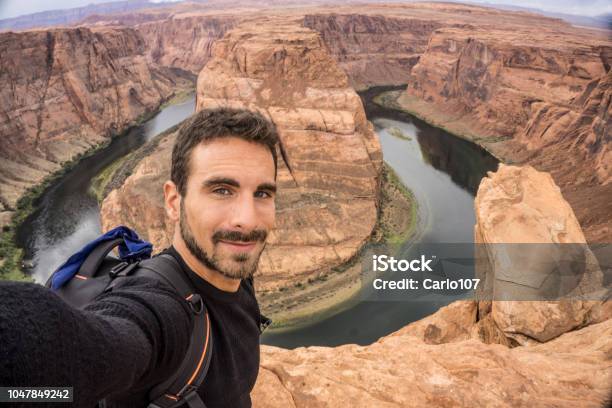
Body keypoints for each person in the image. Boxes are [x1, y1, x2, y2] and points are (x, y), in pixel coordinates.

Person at [0, 107, 279, 408]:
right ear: (174, 202)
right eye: (222, 190)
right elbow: (89, 347)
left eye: (262, 194)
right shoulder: (162, 311)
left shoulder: (237, 271)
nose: (247, 220)